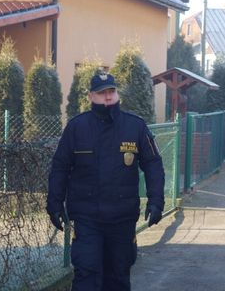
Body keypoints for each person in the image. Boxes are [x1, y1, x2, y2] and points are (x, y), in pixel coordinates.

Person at [46, 72, 165, 291]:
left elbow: (153, 164)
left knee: (118, 276)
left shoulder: (135, 127)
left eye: (111, 91)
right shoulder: (77, 128)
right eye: (102, 93)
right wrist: (54, 203)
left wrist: (156, 200)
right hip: (87, 217)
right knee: (86, 273)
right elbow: (60, 167)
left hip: (122, 218)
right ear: (91, 96)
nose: (108, 97)